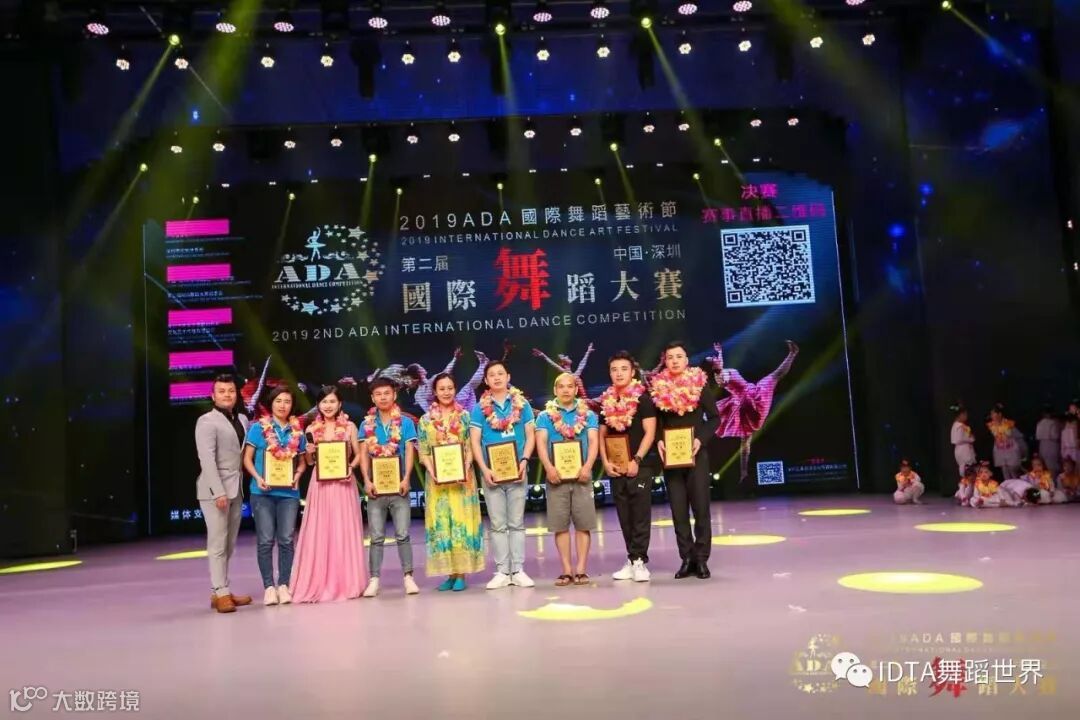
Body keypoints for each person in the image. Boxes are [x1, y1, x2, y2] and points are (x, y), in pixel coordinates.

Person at [290, 385, 368, 602]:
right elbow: (309, 462)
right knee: (321, 530)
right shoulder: (311, 429)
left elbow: (358, 454)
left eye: (332, 401)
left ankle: (347, 581)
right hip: (321, 485)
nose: (328, 406)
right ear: (318, 405)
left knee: (343, 529)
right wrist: (309, 453)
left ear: (340, 404)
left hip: (344, 484)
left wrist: (350, 467)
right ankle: (320, 581)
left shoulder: (350, 426)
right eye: (324, 402)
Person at [651, 341, 719, 580]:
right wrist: (659, 440)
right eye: (670, 357)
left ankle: (701, 559)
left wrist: (700, 439)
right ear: (665, 361)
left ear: (687, 360)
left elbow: (714, 418)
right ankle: (686, 558)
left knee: (701, 509)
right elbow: (656, 422)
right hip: (671, 458)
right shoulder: (658, 387)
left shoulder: (699, 384)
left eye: (679, 356)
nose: (675, 361)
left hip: (696, 454)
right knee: (678, 511)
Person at [469, 361, 537, 590]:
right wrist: (484, 469)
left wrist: (524, 460)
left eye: (500, 373)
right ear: (486, 380)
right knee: (497, 524)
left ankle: (517, 570)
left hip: (518, 471)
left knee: (516, 523)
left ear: (508, 377)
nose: (496, 377)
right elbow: (475, 441)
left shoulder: (522, 404)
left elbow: (530, 435)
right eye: (492, 375)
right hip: (492, 474)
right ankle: (501, 571)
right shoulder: (479, 408)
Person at [417, 373, 485, 592]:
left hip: (463, 481)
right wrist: (433, 471)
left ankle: (461, 574)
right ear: (435, 392)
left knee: (460, 522)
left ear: (455, 390)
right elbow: (423, 451)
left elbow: (471, 446)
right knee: (443, 525)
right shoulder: (425, 420)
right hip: (437, 482)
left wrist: (465, 466)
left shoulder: (465, 416)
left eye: (450, 388)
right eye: (442, 388)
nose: (446, 392)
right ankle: (449, 573)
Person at [242, 385, 307, 606]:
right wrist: (257, 477)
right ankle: (269, 587)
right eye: (278, 401)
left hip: (289, 494)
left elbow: (302, 462)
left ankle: (284, 585)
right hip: (262, 492)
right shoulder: (258, 428)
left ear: (292, 405)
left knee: (287, 539)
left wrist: (297, 475)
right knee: (266, 540)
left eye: (287, 401)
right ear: (271, 403)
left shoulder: (297, 431)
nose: (283, 405)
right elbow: (247, 459)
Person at [195, 375, 254, 613]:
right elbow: (206, 459)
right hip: (215, 490)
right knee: (218, 542)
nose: (227, 395)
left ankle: (220, 590)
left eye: (231, 391)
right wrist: (217, 491)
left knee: (229, 544)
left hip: (236, 488)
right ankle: (221, 592)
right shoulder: (206, 421)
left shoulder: (242, 419)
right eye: (222, 391)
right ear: (213, 396)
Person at [599, 351, 657, 583]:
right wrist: (605, 462)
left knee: (640, 514)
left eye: (624, 369)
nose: (619, 373)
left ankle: (640, 561)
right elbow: (602, 435)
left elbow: (650, 432)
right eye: (614, 370)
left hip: (639, 466)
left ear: (632, 372)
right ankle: (632, 559)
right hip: (616, 467)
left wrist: (638, 460)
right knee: (624, 516)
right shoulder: (606, 401)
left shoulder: (643, 399)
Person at [536, 373, 600, 586]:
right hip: (556, 477)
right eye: (561, 386)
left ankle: (581, 569)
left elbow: (593, 442)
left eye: (570, 386)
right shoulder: (544, 416)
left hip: (582, 476)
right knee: (560, 525)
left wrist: (588, 467)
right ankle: (566, 570)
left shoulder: (588, 415)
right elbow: (541, 444)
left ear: (576, 389)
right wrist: (548, 468)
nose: (565, 390)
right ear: (555, 390)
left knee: (583, 524)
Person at [358, 378, 420, 597]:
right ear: (372, 398)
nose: (383, 397)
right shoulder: (366, 425)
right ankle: (374, 579)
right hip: (376, 489)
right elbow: (363, 454)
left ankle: (408, 578)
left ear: (394, 395)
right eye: (378, 394)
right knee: (376, 537)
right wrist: (366, 480)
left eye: (387, 393)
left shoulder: (405, 422)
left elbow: (410, 450)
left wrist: (406, 478)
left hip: (399, 487)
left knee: (403, 534)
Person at [710, 340, 798, 483]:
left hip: (752, 393)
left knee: (775, 376)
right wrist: (718, 365)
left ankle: (792, 354)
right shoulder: (720, 376)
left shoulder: (722, 369)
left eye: (714, 358)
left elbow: (720, 366)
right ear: (714, 367)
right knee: (775, 376)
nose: (714, 358)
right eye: (712, 359)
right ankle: (793, 353)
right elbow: (721, 377)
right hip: (748, 403)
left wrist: (719, 352)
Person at [412, 349, 491, 414]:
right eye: (420, 367)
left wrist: (455, 358)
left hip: (455, 404)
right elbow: (427, 410)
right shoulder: (419, 394)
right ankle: (483, 365)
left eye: (450, 388)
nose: (422, 368)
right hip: (440, 413)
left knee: (469, 387)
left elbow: (446, 372)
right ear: (419, 372)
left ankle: (483, 364)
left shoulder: (432, 379)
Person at [987, 404, 1023, 480]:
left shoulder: (1008, 424)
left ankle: (1017, 485)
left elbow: (1016, 435)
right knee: (1004, 470)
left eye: (993, 413)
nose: (991, 415)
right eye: (991, 414)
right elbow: (996, 435)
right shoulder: (992, 425)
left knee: (1012, 470)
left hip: (1010, 448)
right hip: (1000, 449)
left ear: (999, 414)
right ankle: (1008, 485)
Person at [1035, 406, 1063, 475]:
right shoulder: (1053, 422)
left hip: (1042, 445)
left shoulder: (1040, 423)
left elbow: (1037, 436)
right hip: (1052, 444)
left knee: (1045, 465)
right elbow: (1055, 435)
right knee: (1053, 465)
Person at [950, 405, 976, 476]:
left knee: (967, 468)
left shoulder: (957, 425)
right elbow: (959, 439)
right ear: (961, 415)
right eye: (965, 414)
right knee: (967, 469)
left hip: (963, 449)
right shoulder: (959, 426)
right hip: (963, 450)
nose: (966, 416)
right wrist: (971, 439)